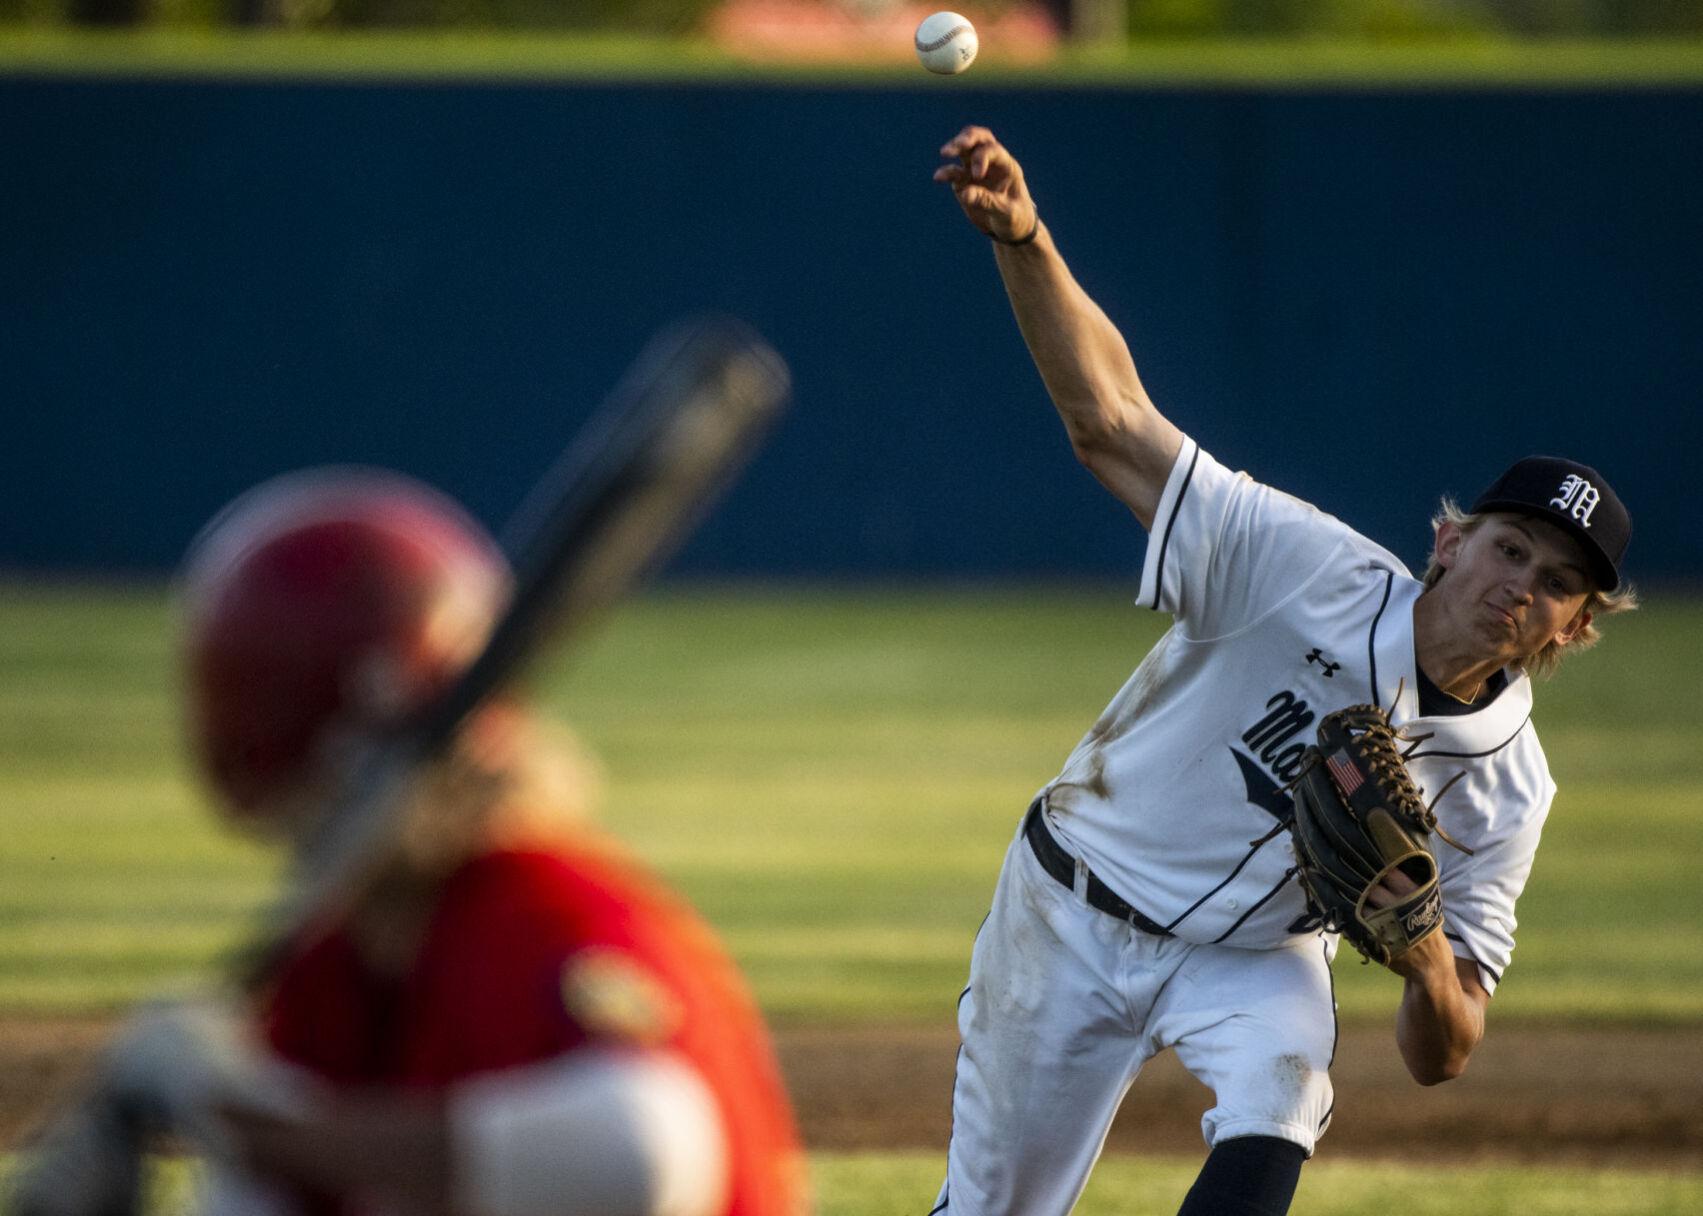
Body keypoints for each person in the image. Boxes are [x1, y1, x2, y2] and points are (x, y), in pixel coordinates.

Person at [926, 126, 1637, 1216]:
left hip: (1253, 956)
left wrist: (1423, 952)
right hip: (1072, 908)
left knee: (1285, 1080)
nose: (1519, 583)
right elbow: (1109, 423)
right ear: (1448, 541)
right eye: (1507, 547)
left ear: (1573, 626)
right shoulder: (1304, 565)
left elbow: (1441, 1051)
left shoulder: (1509, 787)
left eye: (1554, 581)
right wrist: (1024, 239)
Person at [11, 468, 806, 1216]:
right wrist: (201, 1133)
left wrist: (265, 1131)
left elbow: (644, 1151)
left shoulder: (536, 909)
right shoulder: (337, 969)